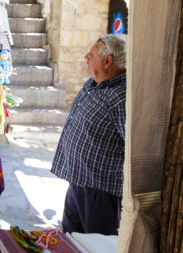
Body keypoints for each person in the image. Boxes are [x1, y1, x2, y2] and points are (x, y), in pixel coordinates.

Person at [51, 34, 127, 235]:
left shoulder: (121, 97)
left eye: (91, 54)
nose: (86, 57)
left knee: (95, 244)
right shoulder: (94, 83)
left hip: (99, 190)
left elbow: (134, 145)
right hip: (78, 181)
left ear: (107, 60)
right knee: (70, 238)